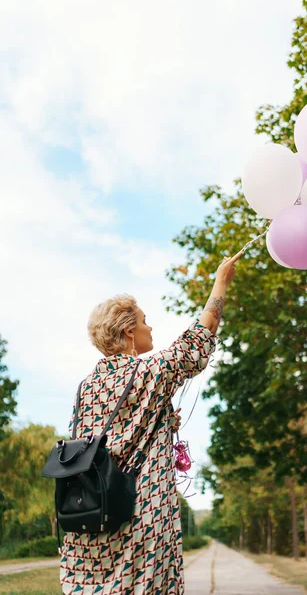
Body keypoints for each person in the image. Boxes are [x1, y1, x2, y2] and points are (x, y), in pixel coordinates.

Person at [60, 252, 242, 595]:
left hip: (93, 517)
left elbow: (103, 441)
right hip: (139, 514)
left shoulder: (86, 386)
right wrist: (221, 283)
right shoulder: (148, 373)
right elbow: (199, 339)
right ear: (130, 332)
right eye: (145, 321)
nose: (150, 326)